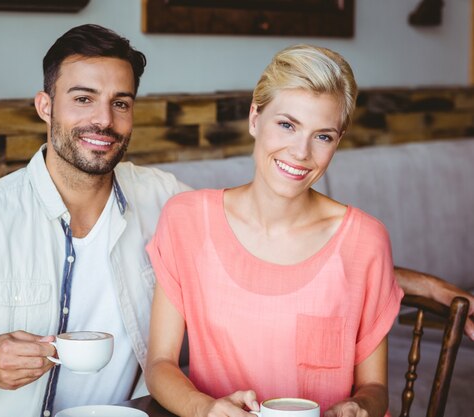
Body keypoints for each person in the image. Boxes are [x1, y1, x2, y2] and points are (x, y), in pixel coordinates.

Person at [0, 25, 473, 417]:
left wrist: (408, 282)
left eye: (120, 102)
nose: (104, 119)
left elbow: (272, 236)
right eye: (83, 99)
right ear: (46, 106)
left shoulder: (162, 200)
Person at [144, 44, 407, 417]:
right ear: (255, 118)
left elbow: (375, 387)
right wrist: (207, 410)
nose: (301, 152)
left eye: (323, 136)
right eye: (287, 125)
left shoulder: (366, 241)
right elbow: (159, 366)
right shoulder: (185, 219)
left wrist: (357, 407)